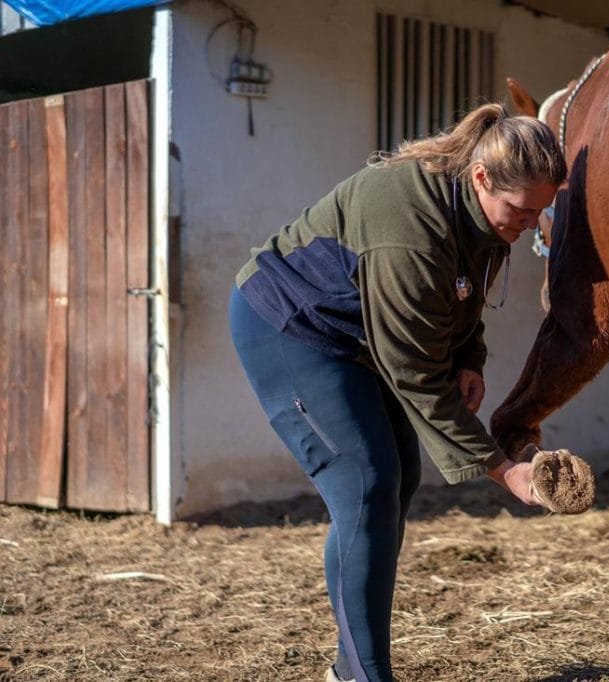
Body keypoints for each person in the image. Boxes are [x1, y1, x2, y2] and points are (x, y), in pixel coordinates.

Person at [228, 103, 566, 682]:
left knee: (394, 479)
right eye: (522, 209)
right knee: (366, 484)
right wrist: (504, 470)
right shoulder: (408, 228)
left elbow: (460, 294)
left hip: (360, 337)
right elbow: (413, 372)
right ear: (481, 177)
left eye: (541, 211)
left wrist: (468, 358)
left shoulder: (487, 215)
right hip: (291, 327)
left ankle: (349, 669)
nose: (531, 224)